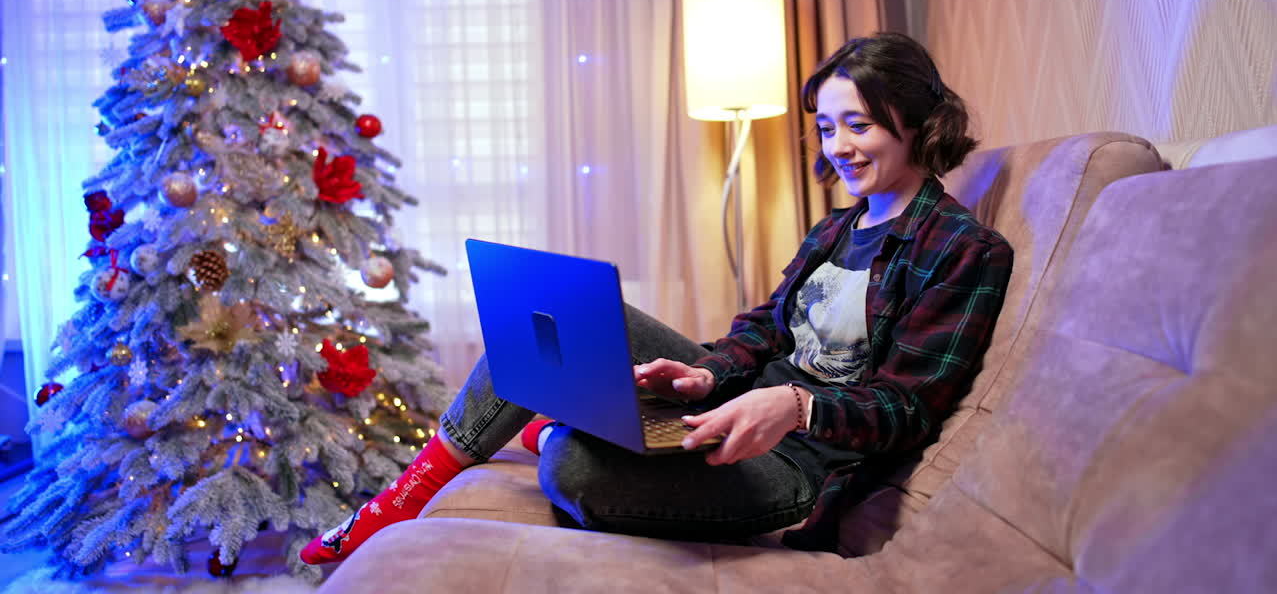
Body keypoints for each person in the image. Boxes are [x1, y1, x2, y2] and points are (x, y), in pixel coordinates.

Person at [300, 31, 1014, 565]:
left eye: (859, 124)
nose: (839, 147)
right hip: (729, 403)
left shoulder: (962, 251)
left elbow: (910, 409)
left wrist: (798, 405)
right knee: (537, 331)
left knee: (571, 465)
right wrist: (707, 374)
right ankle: (394, 508)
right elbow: (764, 331)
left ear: (916, 121)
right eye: (828, 128)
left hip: (797, 468)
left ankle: (553, 427)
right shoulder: (838, 227)